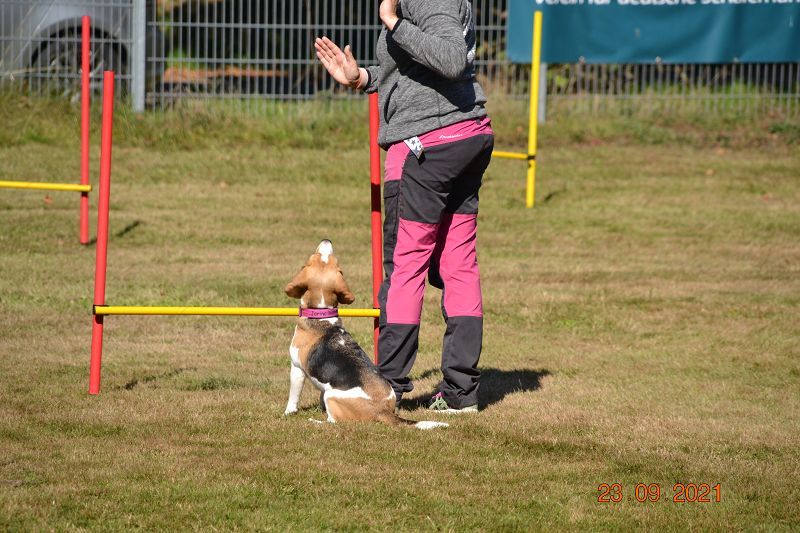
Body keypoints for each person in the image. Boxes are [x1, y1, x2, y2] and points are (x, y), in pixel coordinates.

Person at [315, 0, 493, 413]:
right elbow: (419, 70)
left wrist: (393, 22)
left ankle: (385, 388)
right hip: (464, 133)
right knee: (458, 263)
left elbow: (450, 59)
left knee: (405, 264)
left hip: (427, 144)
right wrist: (362, 78)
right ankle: (461, 392)